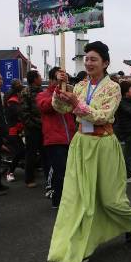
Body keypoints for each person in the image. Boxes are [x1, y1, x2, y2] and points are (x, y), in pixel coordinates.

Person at [47, 41, 131, 262]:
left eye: (94, 59)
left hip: (103, 145)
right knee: (78, 199)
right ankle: (75, 252)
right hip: (80, 144)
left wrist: (77, 103)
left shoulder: (113, 88)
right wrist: (60, 91)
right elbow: (61, 109)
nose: (89, 62)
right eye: (87, 58)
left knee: (110, 199)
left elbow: (103, 116)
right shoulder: (78, 86)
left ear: (105, 63)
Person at [36, 67, 76, 208]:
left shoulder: (69, 92)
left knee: (71, 172)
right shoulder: (43, 95)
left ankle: (68, 200)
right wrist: (58, 90)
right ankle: (57, 201)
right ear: (52, 79)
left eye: (65, 78)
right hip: (54, 140)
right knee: (60, 172)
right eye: (59, 77)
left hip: (71, 139)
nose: (63, 81)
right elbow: (46, 106)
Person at [21, 70, 44, 189]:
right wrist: (33, 125)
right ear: (35, 79)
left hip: (43, 128)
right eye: (39, 76)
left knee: (45, 153)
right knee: (31, 154)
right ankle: (29, 179)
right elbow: (24, 113)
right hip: (32, 129)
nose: (41, 78)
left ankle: (48, 178)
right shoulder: (26, 92)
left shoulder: (41, 91)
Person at [4, 79, 25, 182]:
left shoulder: (16, 98)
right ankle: (10, 172)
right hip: (12, 130)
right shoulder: (13, 100)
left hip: (17, 128)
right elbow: (20, 113)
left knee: (23, 149)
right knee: (19, 151)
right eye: (19, 84)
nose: (21, 85)